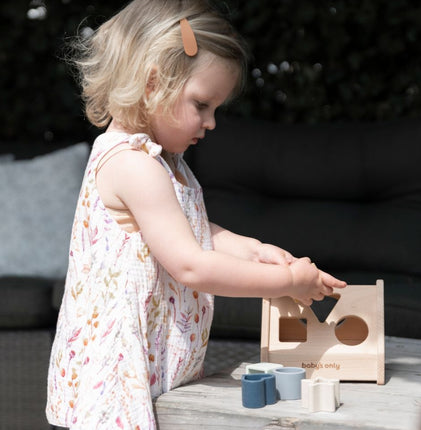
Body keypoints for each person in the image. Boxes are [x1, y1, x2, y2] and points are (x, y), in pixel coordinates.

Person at [46, 0, 347, 428]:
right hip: (110, 384)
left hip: (143, 375)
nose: (211, 122)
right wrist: (286, 282)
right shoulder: (133, 164)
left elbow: (187, 229)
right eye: (202, 104)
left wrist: (254, 250)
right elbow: (190, 264)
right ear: (152, 84)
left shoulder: (163, 162)